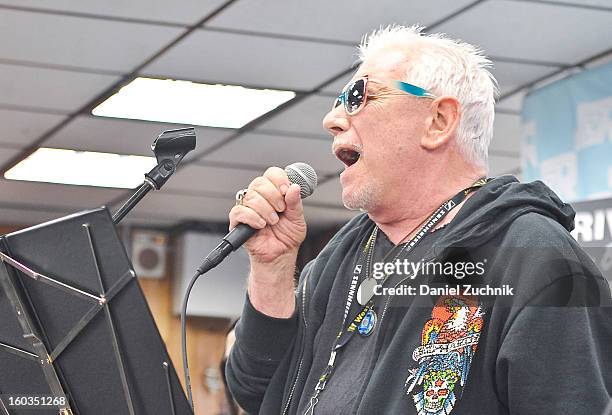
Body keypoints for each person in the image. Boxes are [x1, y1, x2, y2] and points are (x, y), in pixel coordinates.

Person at [224, 25, 612, 414]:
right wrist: (271, 269)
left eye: (360, 97)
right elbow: (255, 390)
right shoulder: (338, 259)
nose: (333, 118)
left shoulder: (536, 259)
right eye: (339, 100)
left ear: (438, 121)